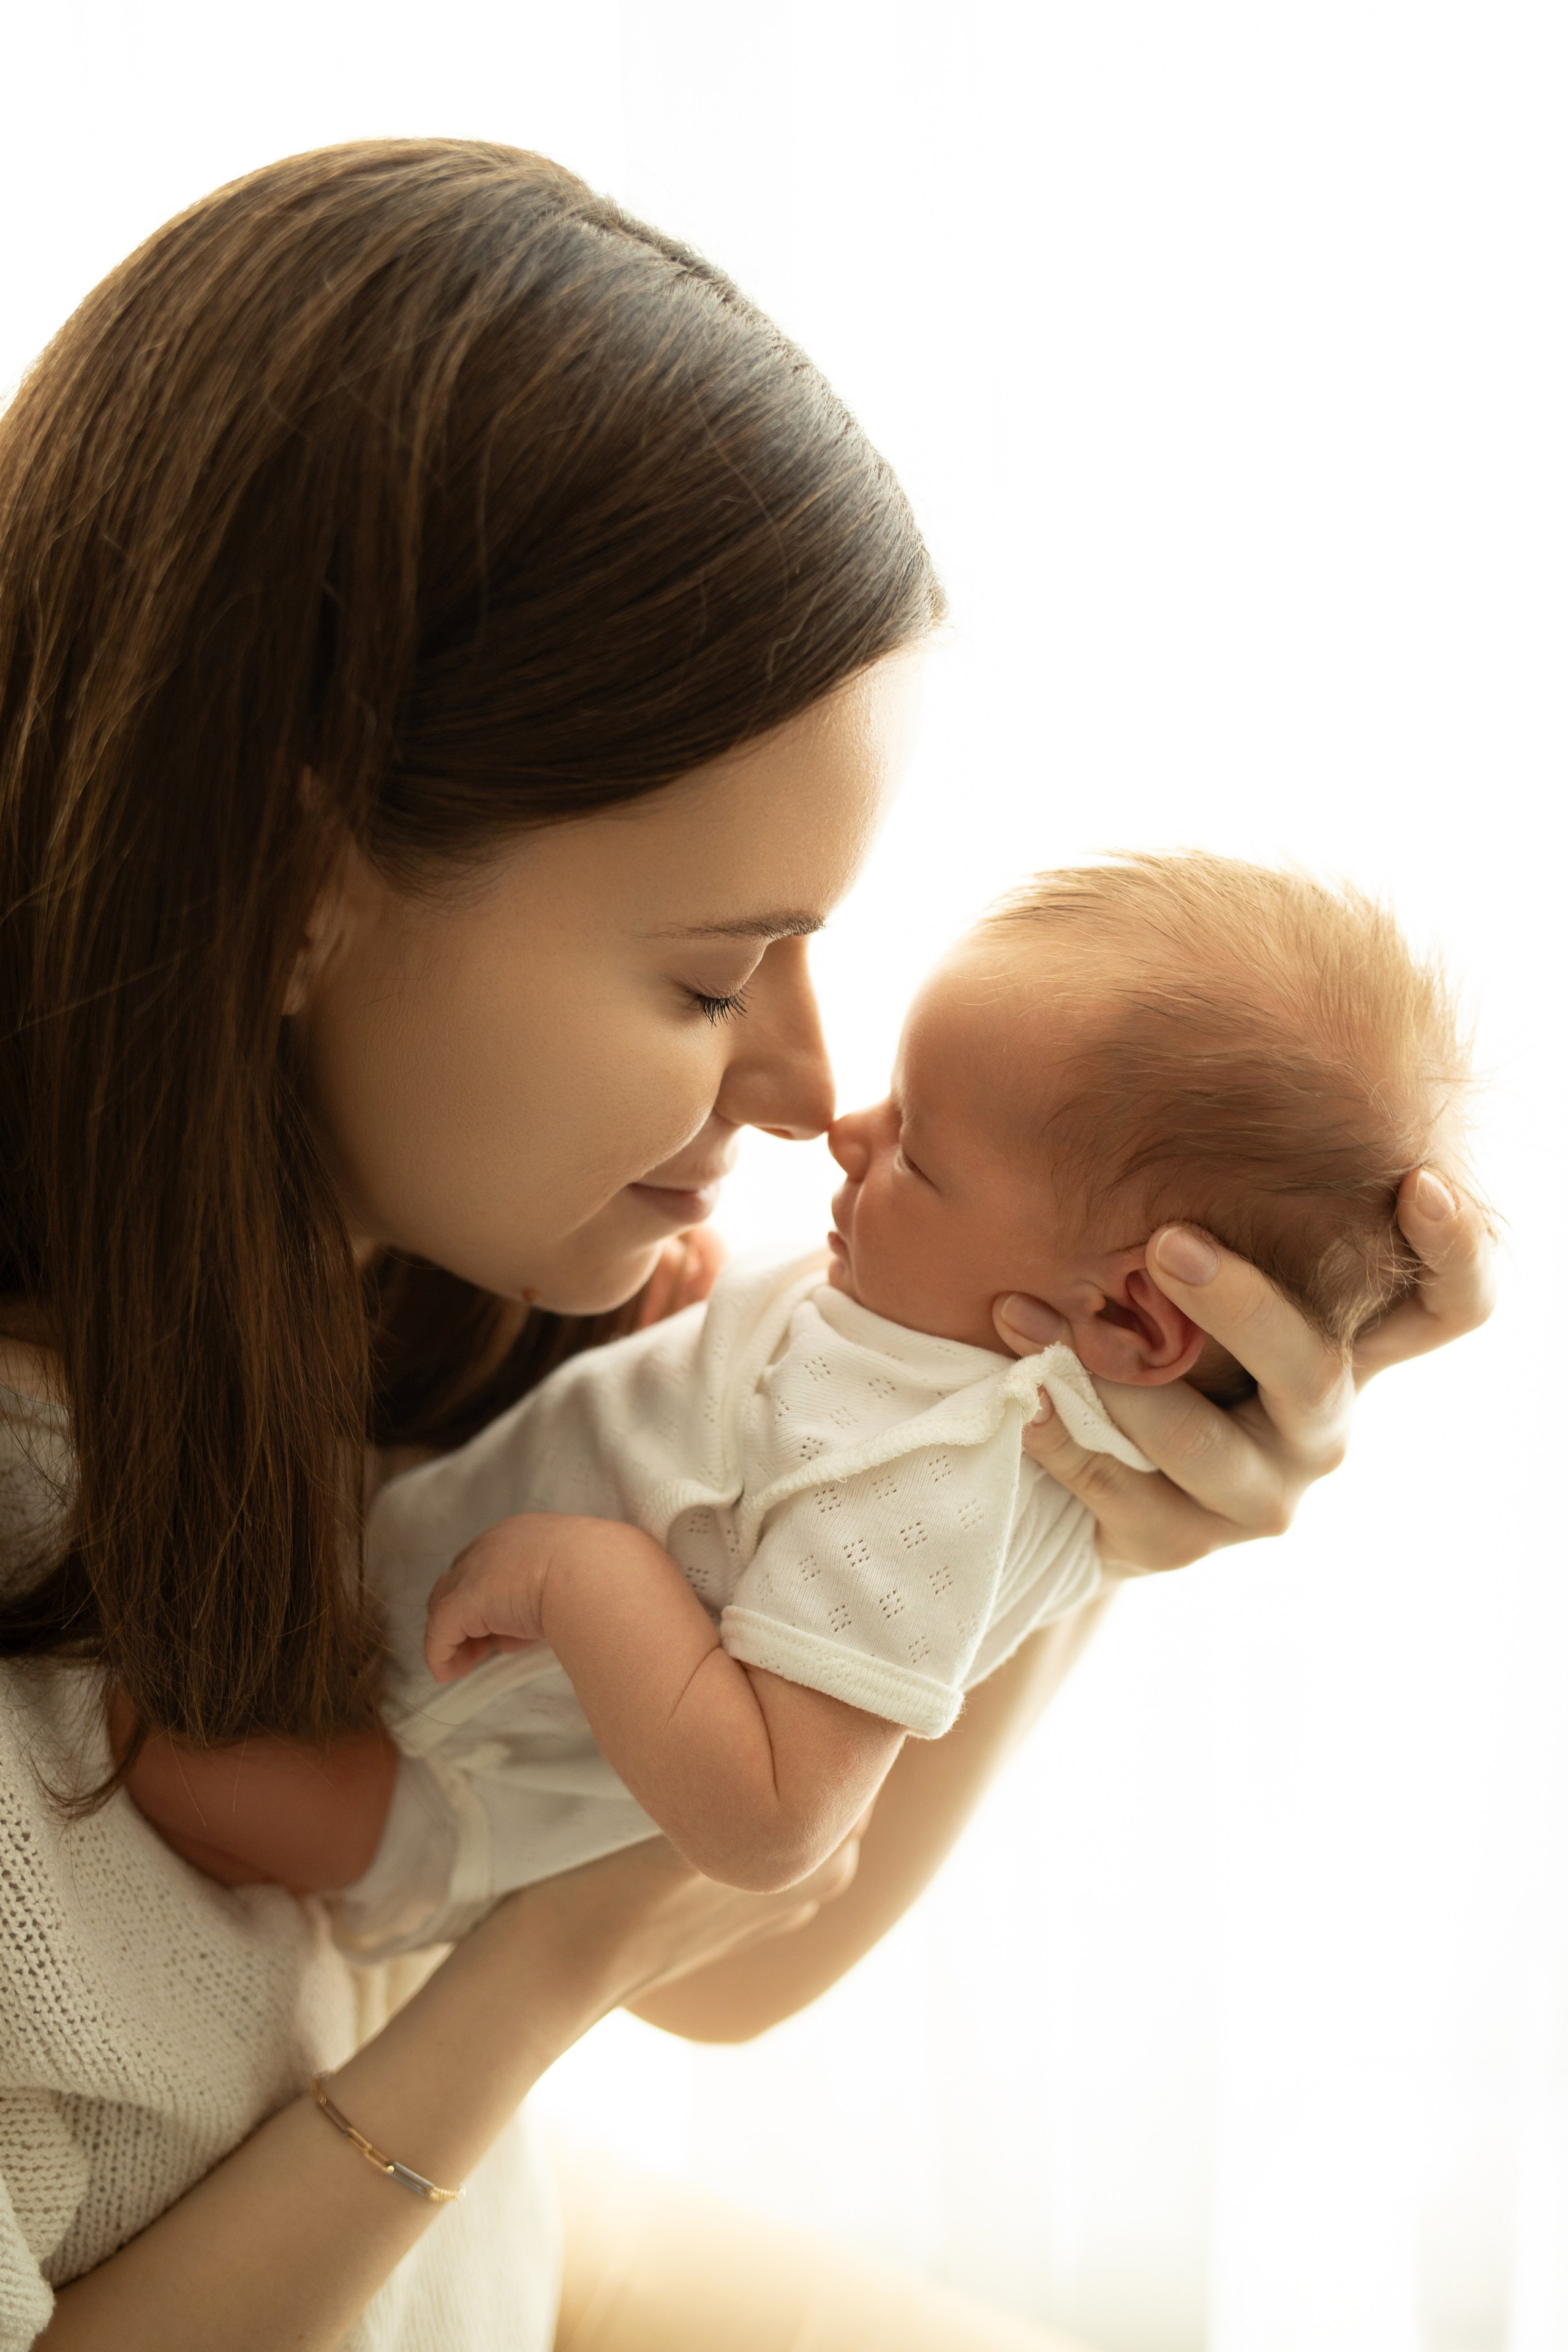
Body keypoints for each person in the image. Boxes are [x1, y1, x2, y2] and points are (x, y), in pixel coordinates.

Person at [0, 140, 1494, 2352]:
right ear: (304, 875)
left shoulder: (373, 1326)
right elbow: (633, 1932)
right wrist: (535, 1986)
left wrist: (1075, 1504)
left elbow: (729, 1931)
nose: (809, 1086)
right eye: (716, 975)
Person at [117, 850, 1480, 1951]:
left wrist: (580, 1581)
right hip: (410, 1634)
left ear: (1128, 1314)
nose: (839, 1120)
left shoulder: (933, 1473)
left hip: (434, 1779)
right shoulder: (900, 1330)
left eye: (919, 1152)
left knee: (154, 1771)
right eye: (716, 973)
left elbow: (775, 1829)